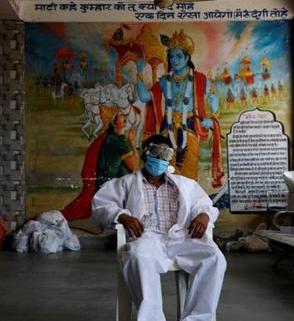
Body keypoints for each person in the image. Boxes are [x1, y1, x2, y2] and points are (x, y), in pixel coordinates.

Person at [92, 135, 226, 321]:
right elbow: (101, 205)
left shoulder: (184, 184)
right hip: (147, 237)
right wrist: (122, 216)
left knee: (214, 257)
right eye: (156, 153)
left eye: (166, 154)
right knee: (138, 257)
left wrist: (204, 215)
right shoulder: (127, 182)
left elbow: (203, 204)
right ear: (145, 154)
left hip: (180, 236)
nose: (161, 159)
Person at [136, 30, 224, 188]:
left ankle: (189, 201)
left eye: (178, 56)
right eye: (171, 56)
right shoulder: (164, 81)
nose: (174, 60)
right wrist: (139, 73)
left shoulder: (199, 79)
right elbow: (144, 97)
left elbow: (213, 98)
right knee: (167, 169)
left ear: (187, 57)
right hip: (167, 128)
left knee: (190, 169)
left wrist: (212, 118)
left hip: (190, 126)